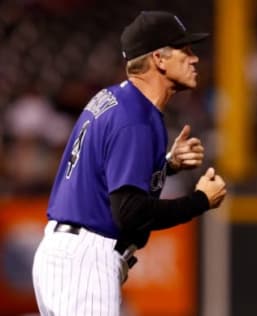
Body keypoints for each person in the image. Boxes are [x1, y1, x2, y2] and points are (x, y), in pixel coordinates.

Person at [32, 11, 227, 315]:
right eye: (184, 50)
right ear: (159, 59)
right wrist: (200, 201)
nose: (195, 59)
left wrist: (167, 165)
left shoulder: (115, 99)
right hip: (87, 258)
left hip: (64, 252)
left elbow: (105, 176)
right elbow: (130, 213)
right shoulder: (136, 120)